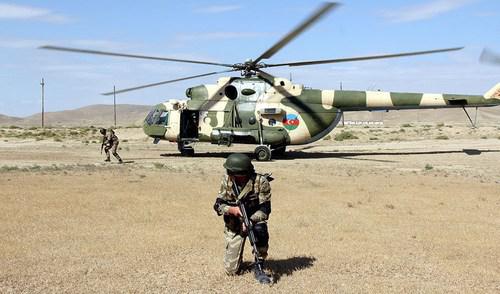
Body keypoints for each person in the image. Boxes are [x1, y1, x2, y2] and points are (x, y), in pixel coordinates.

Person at [213, 153, 272, 276]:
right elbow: (218, 205)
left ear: (242, 173)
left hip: (253, 223)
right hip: (234, 224)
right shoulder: (227, 180)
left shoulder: (261, 182)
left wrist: (250, 221)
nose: (230, 175)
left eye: (232, 173)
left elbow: (265, 209)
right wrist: (231, 210)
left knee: (260, 229)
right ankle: (237, 261)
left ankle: (259, 262)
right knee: (231, 271)